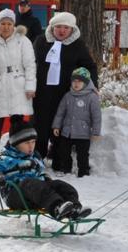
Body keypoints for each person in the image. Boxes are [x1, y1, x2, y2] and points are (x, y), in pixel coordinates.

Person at [0, 125, 88, 220]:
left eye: (33, 142)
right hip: (15, 196)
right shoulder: (4, 158)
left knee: (60, 185)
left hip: (36, 195)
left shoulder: (35, 157)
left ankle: (73, 209)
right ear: (16, 143)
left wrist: (44, 178)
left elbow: (38, 173)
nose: (31, 146)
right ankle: (57, 208)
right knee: (30, 183)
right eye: (27, 143)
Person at [31, 11, 98, 160]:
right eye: (59, 27)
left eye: (66, 28)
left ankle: (57, 155)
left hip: (65, 92)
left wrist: (92, 86)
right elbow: (30, 63)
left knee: (60, 123)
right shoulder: (41, 41)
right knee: (41, 124)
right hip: (42, 91)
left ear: (72, 30)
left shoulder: (78, 45)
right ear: (52, 27)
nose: (62, 31)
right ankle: (38, 155)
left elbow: (90, 67)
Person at [0, 9, 36, 159]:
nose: (6, 27)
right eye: (3, 23)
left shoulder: (23, 41)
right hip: (0, 85)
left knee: (18, 124)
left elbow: (30, 64)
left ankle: (17, 157)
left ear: (14, 24)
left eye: (9, 23)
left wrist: (30, 86)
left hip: (19, 85)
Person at [50, 67, 101, 176]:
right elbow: (60, 112)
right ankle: (65, 169)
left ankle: (84, 171)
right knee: (64, 152)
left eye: (80, 81)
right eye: (74, 81)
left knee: (82, 154)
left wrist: (96, 132)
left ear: (86, 83)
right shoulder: (68, 96)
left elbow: (96, 116)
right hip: (67, 131)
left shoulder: (92, 97)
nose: (76, 84)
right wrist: (56, 126)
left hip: (83, 132)